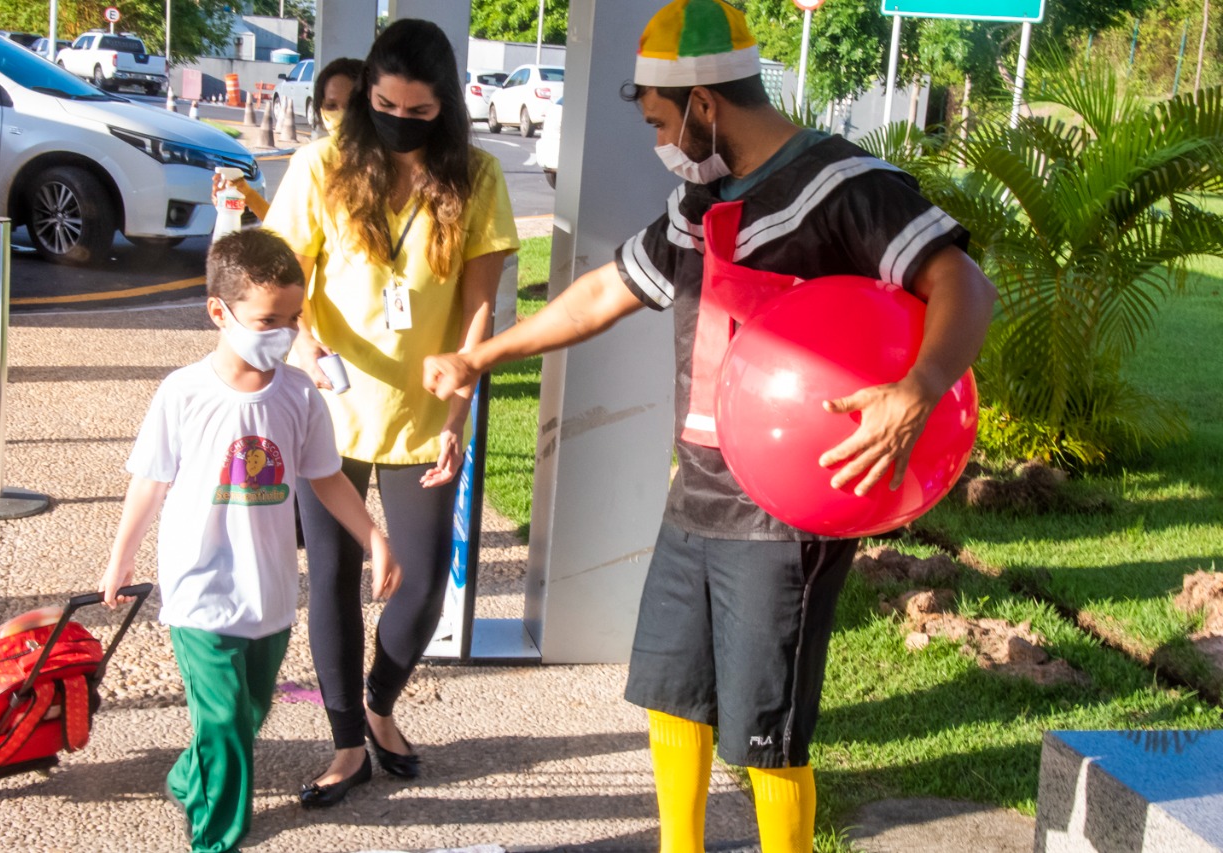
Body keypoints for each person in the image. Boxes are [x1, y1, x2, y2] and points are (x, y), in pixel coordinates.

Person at [423, 1, 998, 850]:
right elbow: (603, 294)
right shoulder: (701, 201)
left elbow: (963, 282)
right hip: (695, 491)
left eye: (661, 119)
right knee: (670, 690)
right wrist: (482, 357)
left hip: (784, 515)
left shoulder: (846, 188)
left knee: (766, 725)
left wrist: (917, 388)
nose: (659, 137)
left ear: (705, 105)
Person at [263, 18, 519, 807]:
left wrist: (462, 398)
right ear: (366, 92)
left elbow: (481, 300)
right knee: (335, 579)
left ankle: (379, 703)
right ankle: (346, 743)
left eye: (418, 112)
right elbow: (284, 274)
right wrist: (303, 346)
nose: (399, 124)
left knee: (421, 586)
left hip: (425, 413)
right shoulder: (322, 165)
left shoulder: (476, 176)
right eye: (384, 105)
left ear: (445, 108)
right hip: (329, 412)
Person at [97, 228, 401, 853]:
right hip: (199, 588)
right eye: (268, 319)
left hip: (268, 593)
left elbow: (325, 479)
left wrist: (374, 536)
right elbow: (149, 483)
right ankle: (215, 836)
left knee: (248, 713)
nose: (284, 333)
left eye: (293, 318)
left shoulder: (299, 396)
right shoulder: (182, 393)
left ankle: (189, 776)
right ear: (220, 310)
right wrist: (120, 559)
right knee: (225, 720)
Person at [211, 58, 365, 221]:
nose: (341, 114)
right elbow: (283, 227)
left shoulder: (312, 159)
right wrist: (245, 193)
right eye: (331, 106)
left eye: (351, 105)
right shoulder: (316, 163)